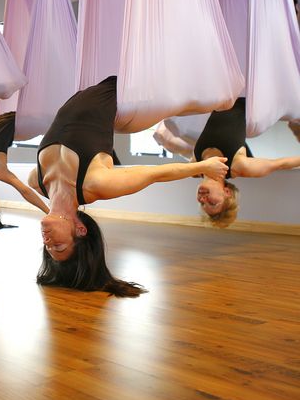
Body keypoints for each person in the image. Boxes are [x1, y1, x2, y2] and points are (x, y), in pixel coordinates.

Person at [28, 77, 229, 295]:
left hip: (101, 91)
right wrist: (203, 166)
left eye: (48, 248)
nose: (47, 241)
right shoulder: (96, 185)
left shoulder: (38, 182)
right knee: (211, 99)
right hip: (128, 107)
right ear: (80, 230)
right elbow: (155, 174)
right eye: (58, 246)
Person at [193, 98, 300, 227]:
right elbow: (280, 164)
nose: (204, 199)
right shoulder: (239, 167)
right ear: (227, 192)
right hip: (251, 96)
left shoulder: (194, 167)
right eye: (213, 203)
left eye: (202, 204)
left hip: (226, 94)